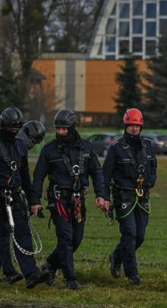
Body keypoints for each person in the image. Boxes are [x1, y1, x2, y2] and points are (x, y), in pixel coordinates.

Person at [29, 108, 110, 290]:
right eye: (58, 129)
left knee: (76, 239)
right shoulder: (49, 150)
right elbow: (39, 176)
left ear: (72, 127)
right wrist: (34, 201)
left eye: (64, 129)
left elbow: (97, 173)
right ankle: (70, 278)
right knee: (65, 239)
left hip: (78, 201)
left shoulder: (86, 148)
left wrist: (101, 195)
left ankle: (50, 266)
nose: (60, 132)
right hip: (59, 201)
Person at [0, 107, 51, 289]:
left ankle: (31, 273)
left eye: (16, 129)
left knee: (23, 232)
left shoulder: (18, 145)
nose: (14, 133)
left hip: (14, 196)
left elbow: (25, 175)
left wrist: (33, 200)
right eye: (11, 129)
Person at [102, 108, 158, 286]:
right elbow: (105, 174)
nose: (134, 129)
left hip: (142, 197)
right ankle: (132, 274)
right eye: (131, 125)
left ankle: (117, 256)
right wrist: (103, 197)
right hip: (123, 197)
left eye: (137, 125)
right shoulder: (116, 149)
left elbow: (154, 167)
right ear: (126, 126)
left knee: (140, 236)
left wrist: (151, 181)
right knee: (130, 235)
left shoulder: (148, 146)